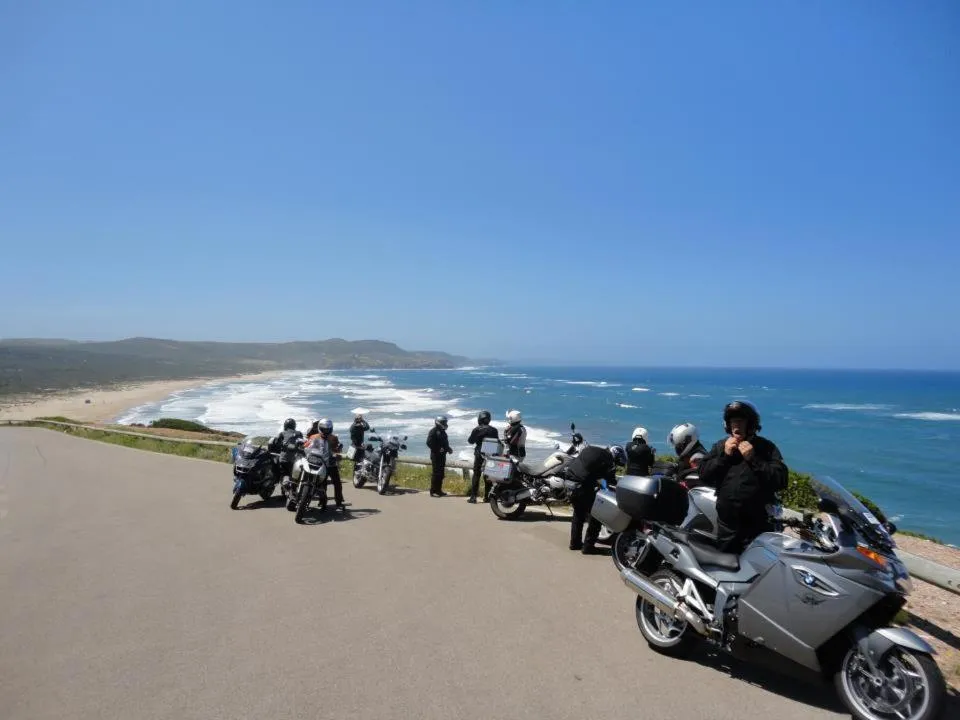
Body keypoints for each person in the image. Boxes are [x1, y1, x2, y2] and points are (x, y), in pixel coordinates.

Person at [698, 401, 788, 553]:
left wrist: (754, 459)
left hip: (756, 525)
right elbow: (703, 475)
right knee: (725, 565)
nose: (736, 425)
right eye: (733, 421)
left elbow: (780, 480)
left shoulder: (766, 448)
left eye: (740, 421)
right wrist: (724, 457)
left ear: (751, 424)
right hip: (727, 525)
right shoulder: (721, 446)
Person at [563, 444, 627, 554]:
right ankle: (588, 546)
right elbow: (609, 482)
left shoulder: (592, 450)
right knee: (597, 515)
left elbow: (589, 470)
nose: (615, 464)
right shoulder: (608, 459)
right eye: (616, 461)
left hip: (568, 483)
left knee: (578, 514)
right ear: (615, 455)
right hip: (581, 486)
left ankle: (575, 543)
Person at [304, 417, 346, 511]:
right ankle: (322, 503)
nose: (326, 431)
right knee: (322, 485)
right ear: (319, 428)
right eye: (324, 429)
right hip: (319, 463)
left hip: (331, 464)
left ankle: (338, 503)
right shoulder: (314, 437)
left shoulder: (334, 438)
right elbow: (306, 446)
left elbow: (337, 450)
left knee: (337, 484)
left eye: (328, 429)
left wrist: (338, 450)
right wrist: (303, 447)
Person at [467, 410, 499, 504]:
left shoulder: (477, 429)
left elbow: (470, 441)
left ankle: (473, 497)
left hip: (479, 453)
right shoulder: (494, 430)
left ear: (480, 419)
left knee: (476, 475)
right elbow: (496, 442)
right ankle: (487, 496)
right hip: (490, 453)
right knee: (487, 475)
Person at [667, 422, 709, 488]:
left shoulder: (697, 457)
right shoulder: (689, 453)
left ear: (688, 441)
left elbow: (698, 479)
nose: (677, 448)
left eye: (679, 446)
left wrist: (680, 477)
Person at [268, 417, 303, 489]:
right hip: (296, 460)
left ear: (285, 425)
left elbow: (275, 443)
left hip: (284, 459)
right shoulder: (299, 433)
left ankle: (284, 490)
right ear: (294, 425)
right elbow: (303, 444)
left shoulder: (282, 433)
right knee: (295, 476)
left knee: (284, 474)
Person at [426, 415, 453, 497]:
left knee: (441, 474)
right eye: (444, 422)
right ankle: (432, 490)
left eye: (445, 422)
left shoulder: (443, 431)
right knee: (436, 473)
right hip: (435, 455)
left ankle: (439, 490)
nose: (445, 424)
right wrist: (438, 449)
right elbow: (429, 442)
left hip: (442, 455)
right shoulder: (433, 431)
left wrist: (448, 449)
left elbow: (444, 443)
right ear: (438, 422)